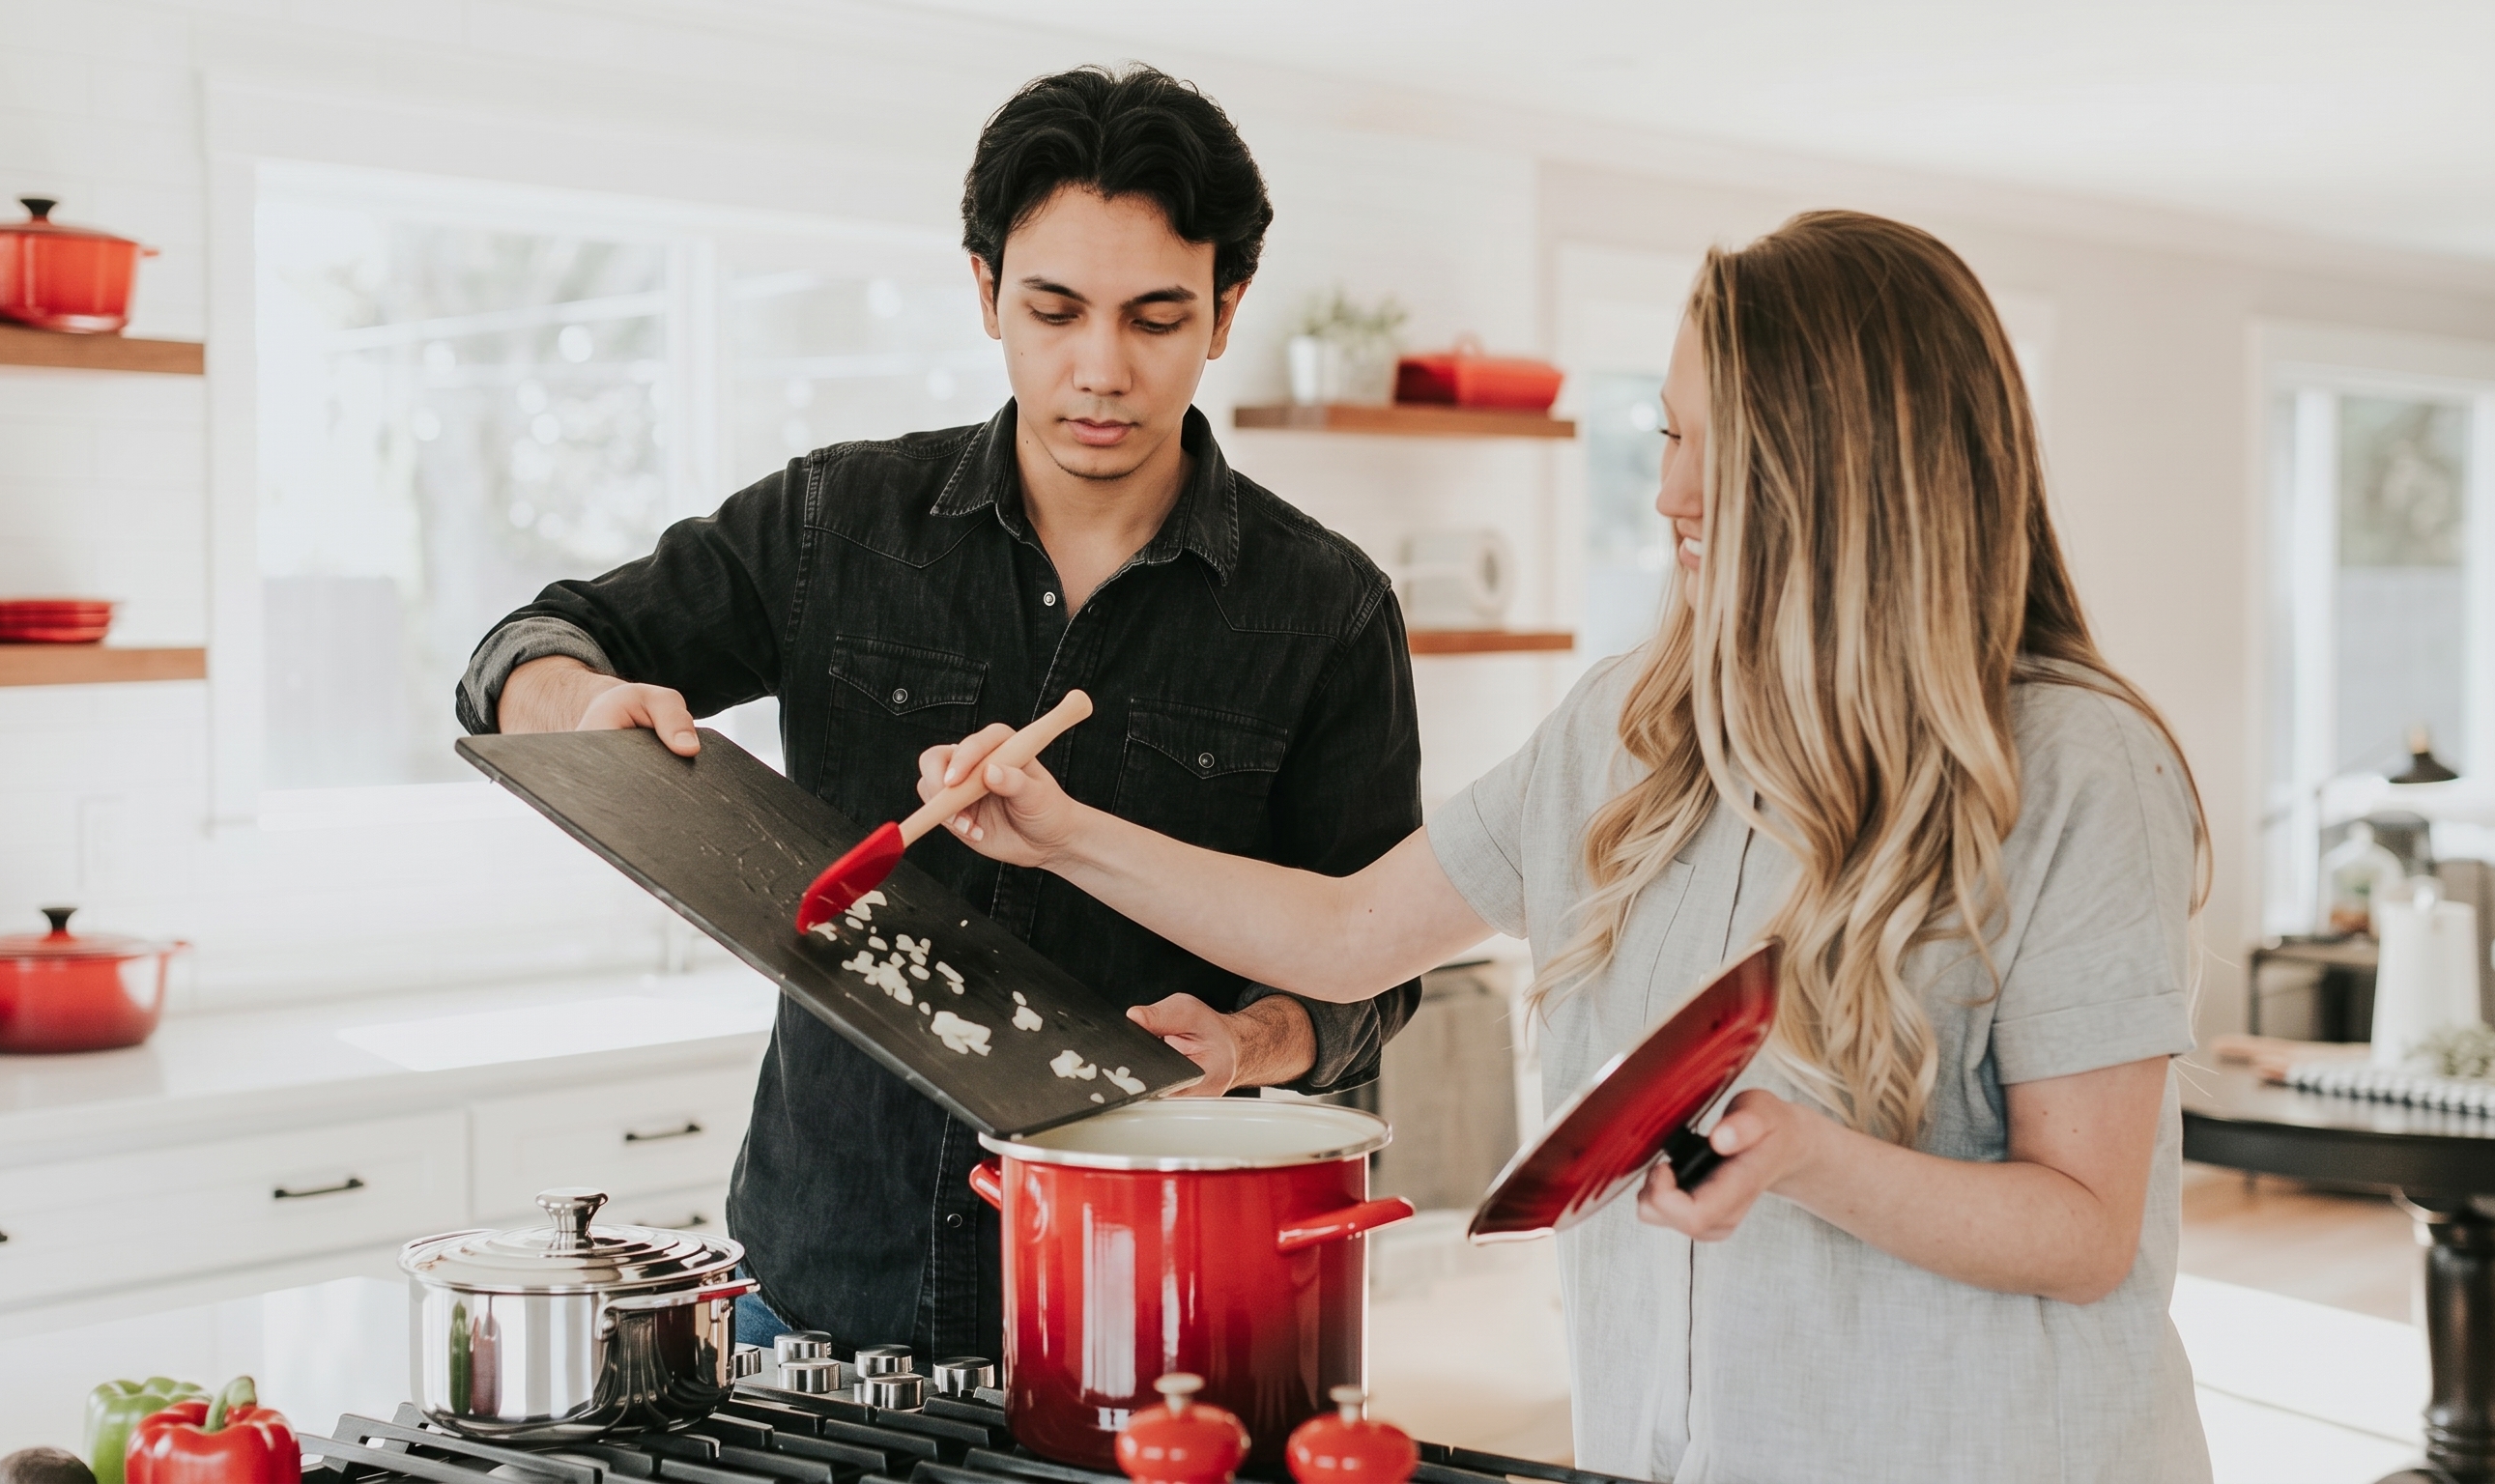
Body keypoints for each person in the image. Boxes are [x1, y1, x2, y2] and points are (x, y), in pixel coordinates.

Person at [920, 211, 2213, 1482]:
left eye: (1721, 449)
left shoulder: (2075, 767)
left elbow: (2090, 1227)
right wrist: (1064, 835)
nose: (1671, 493)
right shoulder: (1627, 729)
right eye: (1666, 435)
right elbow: (1347, 935)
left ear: (1855, 467)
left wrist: (1813, 1161)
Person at [452, 64, 1422, 1363]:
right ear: (985, 294)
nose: (1100, 369)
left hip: (1147, 1321)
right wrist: (581, 698)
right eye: (1054, 308)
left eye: (1154, 317)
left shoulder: (1330, 610)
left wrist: (1253, 1040)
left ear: (1226, 313)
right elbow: (525, 645)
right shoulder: (831, 528)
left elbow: (1380, 970)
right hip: (815, 1300)